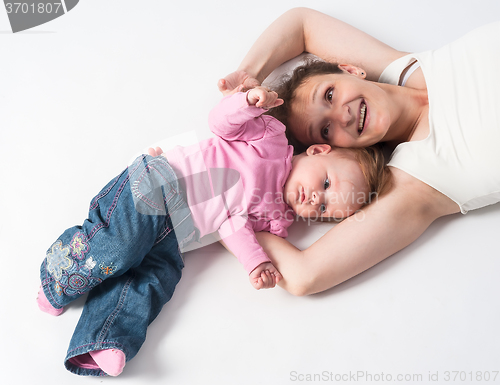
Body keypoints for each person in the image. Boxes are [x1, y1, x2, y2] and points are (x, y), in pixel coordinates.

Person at [37, 86, 384, 376]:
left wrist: (255, 263)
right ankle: (56, 280)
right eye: (324, 183)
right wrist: (247, 103)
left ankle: (102, 340)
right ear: (318, 150)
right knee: (121, 246)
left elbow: (232, 226)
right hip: (159, 184)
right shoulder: (270, 141)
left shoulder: (277, 218)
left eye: (322, 209)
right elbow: (222, 125)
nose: (315, 198)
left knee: (156, 278)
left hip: (176, 238)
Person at [218, 7, 500, 296]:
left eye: (330, 95)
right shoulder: (416, 183)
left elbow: (301, 24)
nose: (343, 116)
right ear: (331, 147)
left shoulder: (405, 68)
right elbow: (305, 275)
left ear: (351, 69)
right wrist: (227, 218)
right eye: (326, 129)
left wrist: (248, 76)